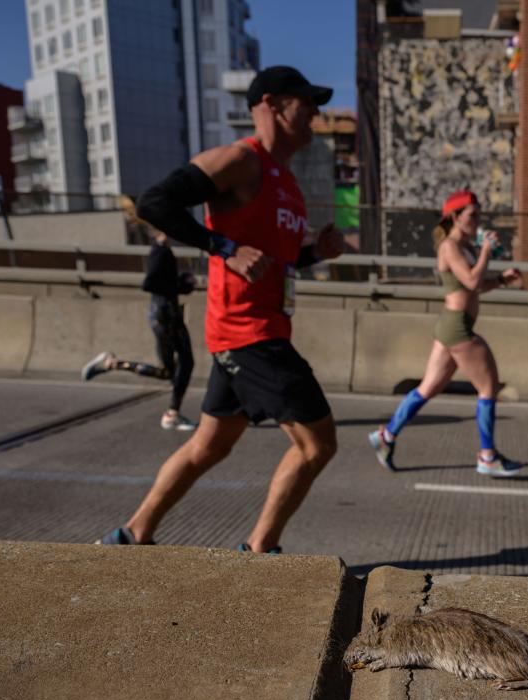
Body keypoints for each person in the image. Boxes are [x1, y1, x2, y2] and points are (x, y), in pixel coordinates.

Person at [97, 65, 345, 553]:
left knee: (209, 446)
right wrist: (223, 246)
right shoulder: (240, 160)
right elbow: (154, 202)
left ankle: (132, 534)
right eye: (306, 102)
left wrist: (320, 253)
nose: (316, 112)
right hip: (249, 334)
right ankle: (258, 549)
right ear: (272, 104)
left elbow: (280, 262)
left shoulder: (289, 185)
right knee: (318, 444)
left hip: (258, 332)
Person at [367, 190, 525, 476]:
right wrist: (487, 252)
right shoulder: (450, 247)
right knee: (488, 387)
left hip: (452, 325)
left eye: (479, 214)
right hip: (457, 327)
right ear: (455, 217)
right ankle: (487, 456)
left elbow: (475, 285)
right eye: (472, 215)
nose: (478, 220)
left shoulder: (465, 246)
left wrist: (501, 279)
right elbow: (471, 279)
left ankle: (386, 437)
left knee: (428, 388)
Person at [82, 212, 198, 432]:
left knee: (169, 371)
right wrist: (180, 285)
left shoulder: (162, 250)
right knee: (186, 363)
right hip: (166, 315)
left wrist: (182, 284)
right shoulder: (160, 252)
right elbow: (151, 283)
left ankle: (113, 363)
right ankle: (172, 414)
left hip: (164, 314)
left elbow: (161, 282)